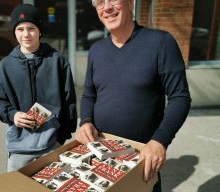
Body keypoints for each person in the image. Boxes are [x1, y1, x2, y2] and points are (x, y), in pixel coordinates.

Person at [75, 0, 191, 191]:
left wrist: (160, 140)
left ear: (130, 3)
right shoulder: (96, 50)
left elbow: (180, 97)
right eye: (100, 3)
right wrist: (85, 121)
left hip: (141, 160)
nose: (107, 7)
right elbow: (89, 94)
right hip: (100, 155)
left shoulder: (161, 42)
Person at [0, 4, 77, 172]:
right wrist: (12, 115)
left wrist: (62, 136)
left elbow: (69, 103)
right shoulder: (5, 65)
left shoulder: (57, 62)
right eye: (20, 29)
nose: (26, 34)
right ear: (14, 31)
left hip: (52, 144)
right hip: (19, 147)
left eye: (31, 28)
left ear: (40, 31)